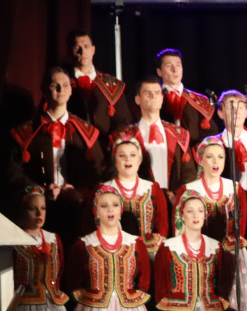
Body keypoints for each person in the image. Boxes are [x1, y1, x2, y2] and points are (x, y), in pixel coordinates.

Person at [176, 136, 247, 311]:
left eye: (220, 157)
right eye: (210, 156)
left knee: (234, 307)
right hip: (201, 257)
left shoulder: (235, 188)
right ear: (200, 160)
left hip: (232, 254)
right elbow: (178, 228)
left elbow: (244, 223)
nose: (215, 161)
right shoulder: (188, 189)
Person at [10, 67, 104, 250]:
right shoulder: (27, 131)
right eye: (55, 85)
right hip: (38, 211)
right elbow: (13, 170)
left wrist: (77, 190)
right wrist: (39, 190)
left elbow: (98, 170)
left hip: (76, 210)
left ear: (71, 90)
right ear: (44, 90)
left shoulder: (85, 131)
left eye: (65, 85)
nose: (60, 90)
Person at [121, 75, 196, 200]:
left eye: (157, 93)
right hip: (139, 200)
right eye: (147, 93)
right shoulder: (126, 136)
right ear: (138, 99)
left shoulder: (179, 134)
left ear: (162, 98)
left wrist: (178, 196)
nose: (153, 96)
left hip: (173, 202)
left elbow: (189, 172)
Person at [106, 133, 169, 257]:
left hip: (149, 252)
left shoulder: (152, 189)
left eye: (132, 155)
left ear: (139, 160)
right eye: (122, 156)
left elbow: (162, 227)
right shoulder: (105, 189)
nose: (127, 159)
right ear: (114, 160)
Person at [65, 29, 132, 138]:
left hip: (105, 147)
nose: (82, 52)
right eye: (77, 47)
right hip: (72, 147)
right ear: (69, 51)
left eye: (86, 47)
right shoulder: (63, 84)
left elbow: (124, 121)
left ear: (93, 50)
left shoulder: (111, 85)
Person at [155, 48, 218, 146]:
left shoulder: (199, 101)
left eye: (178, 65)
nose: (174, 70)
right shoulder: (153, 99)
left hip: (191, 158)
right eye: (169, 66)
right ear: (159, 72)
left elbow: (210, 133)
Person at [211, 90, 247, 193]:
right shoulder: (212, 144)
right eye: (230, 108)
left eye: (241, 107)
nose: (236, 112)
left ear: (246, 113)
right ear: (220, 113)